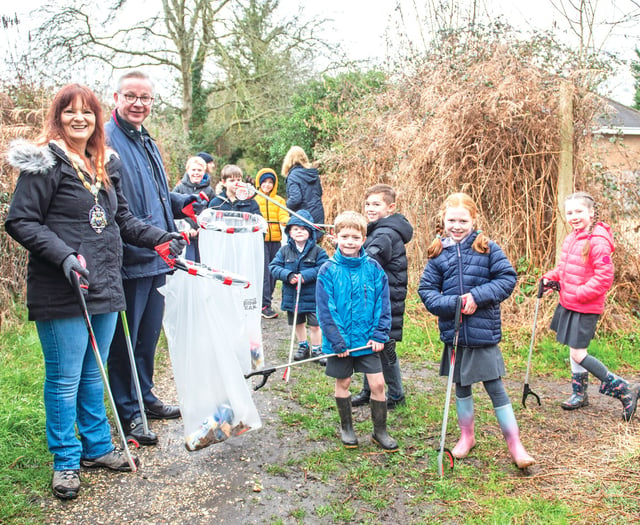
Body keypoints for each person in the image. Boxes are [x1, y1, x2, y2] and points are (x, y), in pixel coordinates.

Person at [4, 84, 186, 500]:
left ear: (96, 118)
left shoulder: (102, 163)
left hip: (105, 284)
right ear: (58, 117)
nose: (79, 119)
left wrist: (161, 236)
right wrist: (65, 256)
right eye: (70, 112)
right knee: (65, 378)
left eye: (87, 112)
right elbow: (22, 221)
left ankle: (98, 448)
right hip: (63, 286)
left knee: (94, 372)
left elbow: (120, 217)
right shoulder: (45, 163)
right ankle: (65, 461)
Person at [105, 71, 196, 447]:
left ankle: (146, 397)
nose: (138, 103)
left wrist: (185, 205)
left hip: (160, 256)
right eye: (131, 96)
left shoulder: (148, 141)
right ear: (116, 97)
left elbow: (158, 194)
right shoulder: (107, 142)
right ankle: (129, 415)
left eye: (145, 98)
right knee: (125, 344)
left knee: (147, 339)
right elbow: (118, 208)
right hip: (130, 258)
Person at [418, 193, 534, 469]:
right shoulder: (438, 254)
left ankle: (516, 445)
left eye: (463, 220)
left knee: (495, 387)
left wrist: (477, 297)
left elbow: (507, 278)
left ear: (474, 220)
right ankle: (466, 437)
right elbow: (426, 292)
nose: (457, 226)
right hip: (455, 334)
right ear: (443, 220)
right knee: (462, 386)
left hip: (483, 334)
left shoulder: (487, 248)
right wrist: (454, 304)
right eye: (451, 220)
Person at [542, 192, 640, 421]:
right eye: (570, 213)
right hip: (569, 303)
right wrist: (550, 278)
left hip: (585, 305)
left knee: (578, 353)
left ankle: (624, 389)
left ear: (591, 213)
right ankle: (579, 394)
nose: (574, 216)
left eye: (579, 212)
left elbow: (604, 278)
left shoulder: (597, 241)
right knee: (572, 349)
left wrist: (579, 293)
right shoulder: (572, 238)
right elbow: (565, 269)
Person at [316, 211, 398, 451]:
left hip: (367, 341)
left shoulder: (373, 269)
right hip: (341, 343)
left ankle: (380, 431)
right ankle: (347, 427)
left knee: (378, 385)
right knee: (344, 381)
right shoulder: (327, 270)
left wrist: (379, 334)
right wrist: (337, 342)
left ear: (363, 239)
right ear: (335, 237)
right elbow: (325, 309)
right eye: (345, 236)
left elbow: (383, 304)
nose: (350, 241)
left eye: (355, 237)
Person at [351, 184, 413, 410]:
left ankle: (396, 396)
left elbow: (370, 260)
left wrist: (348, 252)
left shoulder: (385, 233)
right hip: (377, 300)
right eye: (367, 204)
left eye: (376, 204)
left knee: (385, 349)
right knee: (370, 347)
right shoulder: (380, 229)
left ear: (390, 207)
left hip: (384, 302)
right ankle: (369, 390)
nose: (370, 208)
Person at [269, 210, 328, 361]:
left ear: (310, 232)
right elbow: (273, 267)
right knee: (298, 322)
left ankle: (317, 349)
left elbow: (324, 267)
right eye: (295, 229)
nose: (299, 232)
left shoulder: (318, 251)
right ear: (289, 232)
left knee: (315, 325)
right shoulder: (284, 251)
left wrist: (305, 276)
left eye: (303, 229)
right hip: (292, 295)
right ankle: (303, 346)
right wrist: (288, 276)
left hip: (313, 295)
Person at [254, 168, 289, 319]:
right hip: (260, 240)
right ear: (259, 183)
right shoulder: (254, 199)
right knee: (264, 272)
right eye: (264, 182)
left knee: (274, 272)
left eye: (270, 182)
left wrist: (285, 220)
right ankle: (264, 304)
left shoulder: (279, 200)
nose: (267, 185)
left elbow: (283, 214)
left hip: (275, 240)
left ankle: (267, 300)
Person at [173, 156, 216, 261]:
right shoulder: (179, 188)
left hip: (203, 236)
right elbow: (172, 210)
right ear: (187, 170)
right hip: (185, 237)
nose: (196, 173)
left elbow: (212, 212)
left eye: (199, 170)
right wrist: (186, 228)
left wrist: (202, 228)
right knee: (189, 264)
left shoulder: (209, 190)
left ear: (204, 172)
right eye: (193, 170)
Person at [281, 146, 324, 228]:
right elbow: (319, 193)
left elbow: (295, 199)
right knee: (315, 239)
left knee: (301, 239)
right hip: (318, 213)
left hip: (303, 217)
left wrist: (283, 206)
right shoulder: (313, 173)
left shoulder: (293, 176)